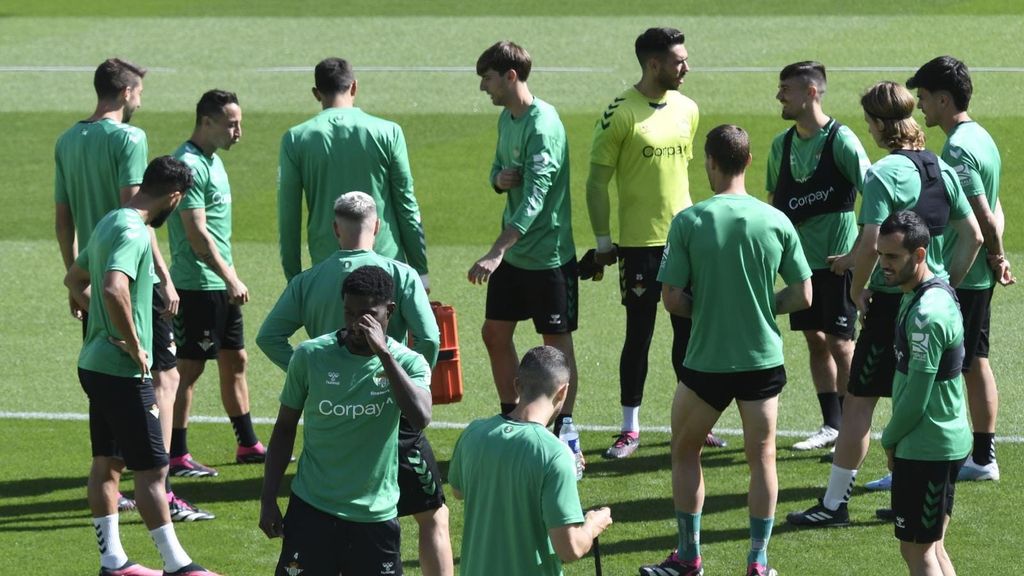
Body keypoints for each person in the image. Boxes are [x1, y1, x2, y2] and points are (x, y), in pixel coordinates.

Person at [787, 81, 982, 528]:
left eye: (869, 123)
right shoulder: (940, 167)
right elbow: (972, 235)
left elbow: (873, 241)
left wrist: (857, 290)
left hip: (891, 307)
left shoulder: (882, 174)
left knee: (859, 403)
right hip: (933, 300)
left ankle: (834, 504)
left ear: (877, 124)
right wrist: (945, 284)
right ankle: (903, 496)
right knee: (913, 397)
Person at [641, 125, 812, 576]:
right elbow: (803, 295)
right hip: (762, 361)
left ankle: (689, 556)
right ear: (749, 161)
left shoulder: (689, 221)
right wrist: (763, 306)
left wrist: (708, 310)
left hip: (707, 362)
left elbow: (672, 298)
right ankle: (757, 562)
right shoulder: (776, 220)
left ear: (710, 162)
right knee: (763, 458)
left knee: (685, 451)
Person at [256, 191, 454, 576]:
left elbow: (421, 413)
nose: (356, 323)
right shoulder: (313, 356)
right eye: (349, 313)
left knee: (433, 515)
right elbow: (430, 338)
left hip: (376, 501)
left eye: (367, 315)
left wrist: (393, 368)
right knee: (433, 517)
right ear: (377, 227)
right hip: (316, 505)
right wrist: (309, 379)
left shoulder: (310, 280)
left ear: (335, 229)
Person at [54, 57, 206, 521]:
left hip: (91, 272)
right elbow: (138, 212)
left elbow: (63, 220)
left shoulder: (67, 140)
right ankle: (160, 488)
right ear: (125, 92)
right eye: (138, 91)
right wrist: (164, 275)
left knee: (111, 383)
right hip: (130, 279)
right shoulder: (129, 138)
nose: (140, 99)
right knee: (163, 377)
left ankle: (118, 484)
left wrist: (74, 279)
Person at [64, 156, 220, 576]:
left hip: (95, 365)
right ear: (175, 196)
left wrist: (99, 319)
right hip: (122, 372)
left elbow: (74, 280)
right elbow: (114, 287)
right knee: (153, 470)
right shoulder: (135, 231)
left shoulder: (111, 221)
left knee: (107, 462)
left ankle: (114, 562)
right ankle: (178, 565)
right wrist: (134, 345)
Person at [586, 27, 724, 458]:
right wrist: (604, 242)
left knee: (690, 333)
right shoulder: (619, 113)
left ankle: (695, 422)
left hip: (684, 240)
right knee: (639, 335)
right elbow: (596, 182)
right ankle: (630, 428)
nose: (687, 68)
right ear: (654, 64)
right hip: (638, 245)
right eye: (679, 61)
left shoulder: (688, 109)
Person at [907, 56, 1014, 483]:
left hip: (962, 275)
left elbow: (983, 216)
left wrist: (988, 258)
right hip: (976, 273)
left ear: (944, 99)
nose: (920, 105)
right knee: (974, 361)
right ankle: (982, 456)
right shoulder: (982, 137)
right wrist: (999, 256)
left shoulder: (957, 148)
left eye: (924, 97)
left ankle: (944, 456)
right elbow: (996, 206)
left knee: (947, 367)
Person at [469, 40, 579, 434]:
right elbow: (498, 168)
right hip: (516, 255)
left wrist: (496, 251)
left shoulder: (543, 126)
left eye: (488, 78)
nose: (483, 87)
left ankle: (564, 428)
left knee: (555, 347)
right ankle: (513, 415)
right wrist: (497, 180)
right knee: (494, 334)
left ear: (510, 76)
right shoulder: (508, 118)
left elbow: (535, 200)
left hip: (548, 256)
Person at [767, 61, 871, 452]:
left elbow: (875, 195)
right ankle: (832, 424)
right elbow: (772, 205)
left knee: (842, 343)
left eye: (786, 89)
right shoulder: (781, 145)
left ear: (811, 92)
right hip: (800, 266)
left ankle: (854, 428)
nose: (779, 95)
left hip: (837, 264)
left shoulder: (842, 140)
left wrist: (856, 253)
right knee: (815, 340)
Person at [166, 90, 265, 479]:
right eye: (231, 124)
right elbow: (196, 235)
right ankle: (176, 454)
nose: (238, 132)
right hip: (197, 285)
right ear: (206, 122)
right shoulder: (187, 165)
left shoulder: (213, 161)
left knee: (235, 359)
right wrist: (230, 277)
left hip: (219, 284)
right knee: (188, 369)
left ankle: (247, 444)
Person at [449, 346, 612, 576]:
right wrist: (594, 523)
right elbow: (570, 548)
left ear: (517, 385)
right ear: (563, 391)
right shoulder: (554, 454)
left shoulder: (473, 433)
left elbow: (458, 490)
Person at [876, 210, 971, 576]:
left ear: (919, 255)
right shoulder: (930, 292)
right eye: (880, 254)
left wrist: (889, 438)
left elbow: (917, 396)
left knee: (918, 551)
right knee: (932, 546)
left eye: (892, 257)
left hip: (926, 445)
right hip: (941, 440)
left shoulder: (926, 316)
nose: (883, 264)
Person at [277, 57, 427, 285]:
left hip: (328, 267)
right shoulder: (389, 132)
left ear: (316, 93)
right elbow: (407, 204)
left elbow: (288, 216)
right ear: (354, 86)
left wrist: (294, 279)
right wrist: (420, 271)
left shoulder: (296, 138)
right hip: (386, 264)